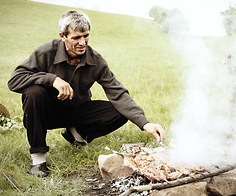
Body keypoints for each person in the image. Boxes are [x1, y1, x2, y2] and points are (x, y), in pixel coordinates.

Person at [8, 10, 165, 177]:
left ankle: (76, 132)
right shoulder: (46, 52)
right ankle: (38, 160)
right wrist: (52, 79)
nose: (82, 42)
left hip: (77, 110)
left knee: (120, 110)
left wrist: (145, 123)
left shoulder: (96, 60)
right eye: (76, 38)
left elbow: (118, 93)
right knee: (33, 92)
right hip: (46, 114)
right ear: (63, 36)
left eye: (86, 36)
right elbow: (15, 80)